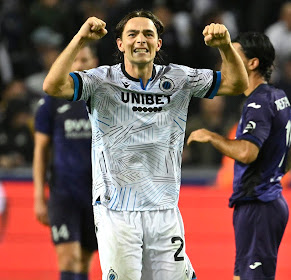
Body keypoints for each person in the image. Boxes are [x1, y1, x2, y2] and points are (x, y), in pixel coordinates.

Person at [42, 10, 248, 280]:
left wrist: (224, 48)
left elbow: (236, 83)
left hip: (164, 210)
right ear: (120, 44)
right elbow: (53, 85)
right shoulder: (101, 81)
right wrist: (80, 39)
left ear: (158, 44)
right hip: (117, 211)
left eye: (149, 34)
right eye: (133, 34)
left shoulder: (179, 79)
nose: (141, 39)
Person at [187, 32, 291, 280]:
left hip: (257, 206)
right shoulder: (277, 96)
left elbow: (246, 152)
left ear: (252, 64)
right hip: (270, 202)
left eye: (234, 56)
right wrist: (276, 175)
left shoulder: (257, 104)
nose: (226, 63)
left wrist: (212, 137)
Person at [33, 45, 99, 280]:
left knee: (83, 260)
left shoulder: (103, 99)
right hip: (64, 193)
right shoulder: (52, 102)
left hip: (98, 195)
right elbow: (40, 150)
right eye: (76, 60)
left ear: (95, 62)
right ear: (69, 65)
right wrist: (39, 196)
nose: (81, 65)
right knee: (68, 257)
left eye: (85, 59)